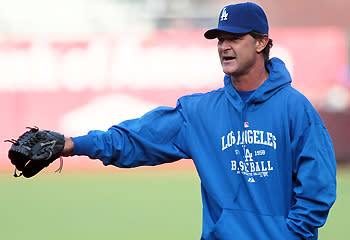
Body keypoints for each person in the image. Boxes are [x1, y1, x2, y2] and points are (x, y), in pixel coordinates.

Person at [30, 2, 340, 240]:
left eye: (234, 38)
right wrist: (71, 145)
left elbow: (319, 188)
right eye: (219, 39)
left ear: (261, 43)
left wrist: (289, 235)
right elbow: (137, 139)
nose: (224, 46)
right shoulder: (200, 112)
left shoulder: (295, 109)